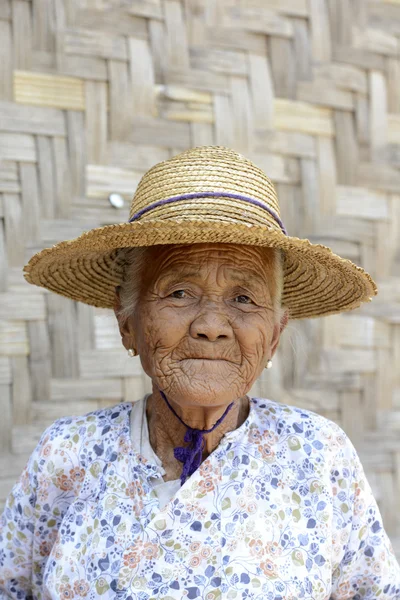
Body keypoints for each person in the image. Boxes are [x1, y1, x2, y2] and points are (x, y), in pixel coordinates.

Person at [0, 145, 399, 599]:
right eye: (180, 292)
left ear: (273, 335)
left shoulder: (319, 455)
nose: (211, 326)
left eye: (244, 299)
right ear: (127, 322)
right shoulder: (67, 453)